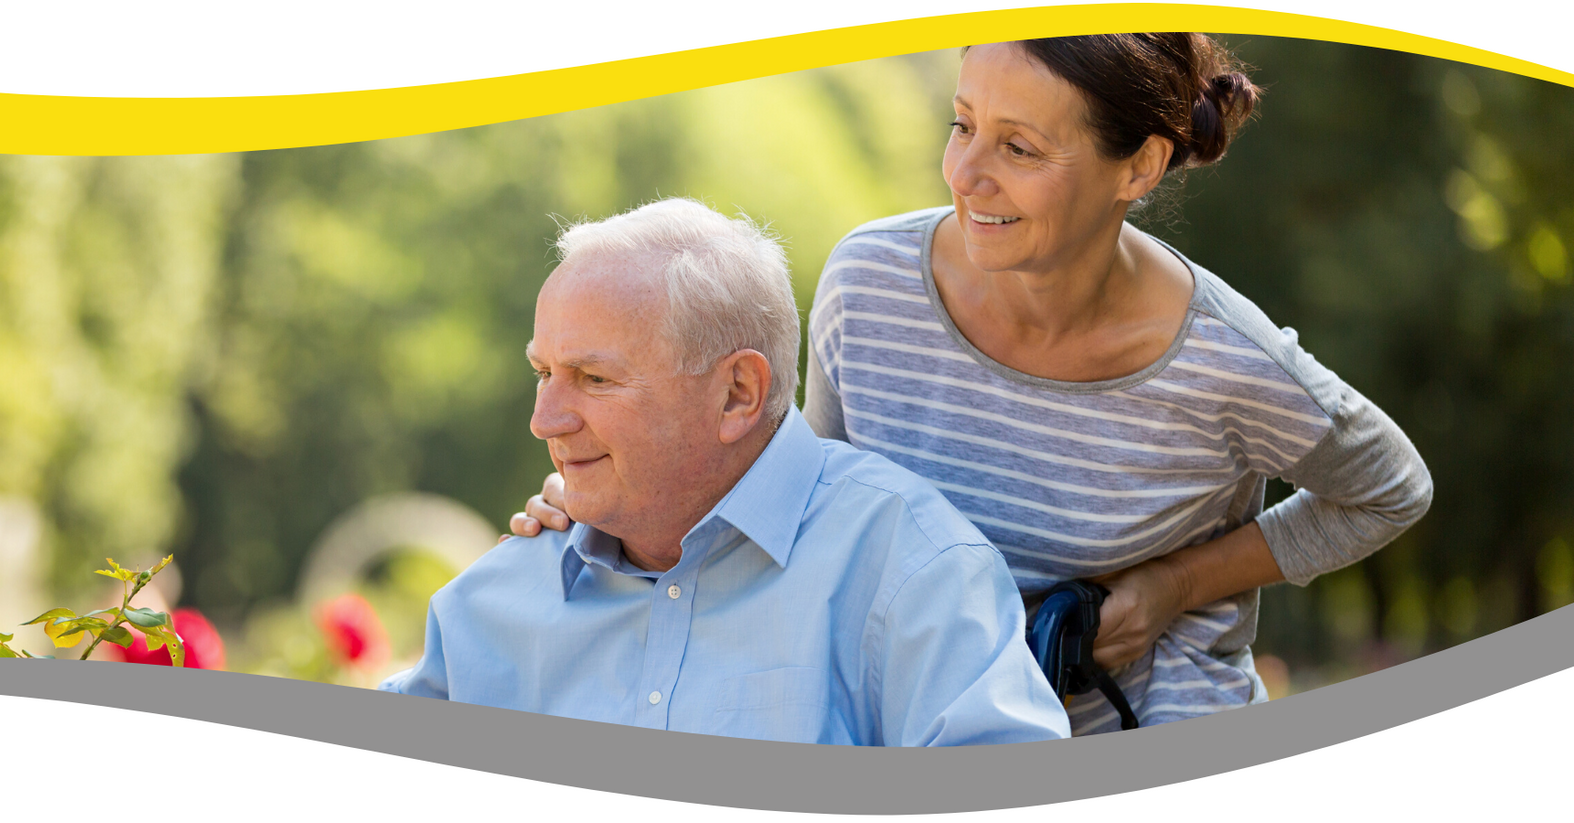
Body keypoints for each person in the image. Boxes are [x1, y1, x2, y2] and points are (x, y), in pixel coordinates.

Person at [510, 35, 1433, 735]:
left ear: (1141, 165)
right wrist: (612, 502)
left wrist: (1174, 584)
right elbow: (812, 509)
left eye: (1020, 149)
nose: (965, 174)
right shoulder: (869, 284)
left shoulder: (1224, 360)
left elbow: (1391, 490)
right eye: (961, 125)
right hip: (916, 739)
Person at [379, 198, 1070, 746]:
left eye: (593, 377)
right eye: (543, 374)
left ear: (738, 393)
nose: (546, 419)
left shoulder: (912, 572)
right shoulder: (495, 601)